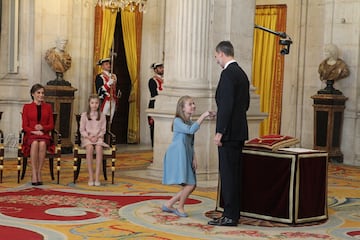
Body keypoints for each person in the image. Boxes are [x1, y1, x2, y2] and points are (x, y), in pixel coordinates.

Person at [207, 41, 250, 227]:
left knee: (228, 175)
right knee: (234, 174)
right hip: (239, 130)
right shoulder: (241, 73)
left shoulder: (227, 74)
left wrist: (220, 131)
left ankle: (230, 216)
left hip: (229, 134)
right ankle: (232, 213)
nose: (216, 59)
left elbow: (226, 105)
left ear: (221, 54)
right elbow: (243, 105)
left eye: (216, 56)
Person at [162, 95, 215, 217]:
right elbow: (190, 130)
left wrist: (194, 157)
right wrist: (204, 115)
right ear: (182, 108)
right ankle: (180, 207)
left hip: (186, 153)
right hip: (177, 154)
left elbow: (191, 142)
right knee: (190, 184)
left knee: (192, 184)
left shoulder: (189, 122)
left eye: (193, 103)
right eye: (190, 104)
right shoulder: (177, 121)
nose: (193, 106)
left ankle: (169, 204)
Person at [22, 83, 55, 186]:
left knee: (42, 144)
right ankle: (34, 173)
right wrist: (33, 131)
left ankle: (39, 172)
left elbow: (51, 125)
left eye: (42, 93)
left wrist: (43, 128)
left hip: (44, 135)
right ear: (33, 94)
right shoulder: (27, 107)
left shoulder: (48, 107)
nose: (41, 95)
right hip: (31, 135)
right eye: (38, 93)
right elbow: (24, 126)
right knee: (35, 143)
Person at [79, 94, 109, 186]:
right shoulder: (84, 115)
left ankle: (97, 177)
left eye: (96, 103)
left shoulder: (102, 116)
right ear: (89, 104)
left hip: (98, 138)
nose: (94, 105)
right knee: (90, 148)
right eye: (92, 103)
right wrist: (89, 137)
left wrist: (97, 136)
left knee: (99, 149)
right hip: (87, 138)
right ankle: (91, 176)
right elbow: (82, 130)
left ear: (99, 104)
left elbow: (103, 130)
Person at [95, 58, 118, 123]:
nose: (109, 65)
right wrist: (108, 84)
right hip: (105, 100)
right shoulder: (99, 77)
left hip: (113, 100)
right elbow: (99, 91)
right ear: (102, 66)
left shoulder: (113, 76)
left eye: (109, 64)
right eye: (106, 64)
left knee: (110, 120)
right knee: (102, 119)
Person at [147, 62, 164, 147]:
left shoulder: (166, 80)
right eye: (160, 68)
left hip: (163, 104)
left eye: (162, 67)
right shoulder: (152, 80)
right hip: (155, 103)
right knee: (153, 125)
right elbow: (154, 93)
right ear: (155, 70)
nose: (162, 69)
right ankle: (154, 144)